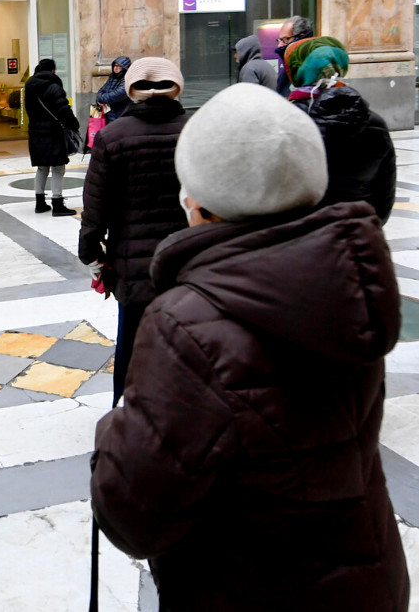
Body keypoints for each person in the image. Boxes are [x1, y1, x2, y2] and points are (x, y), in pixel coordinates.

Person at [91, 83, 408, 612]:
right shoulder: (346, 279)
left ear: (200, 199)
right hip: (364, 576)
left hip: (247, 587)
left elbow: (136, 516)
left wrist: (115, 431)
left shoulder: (188, 323)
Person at [77, 58, 190, 405]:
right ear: (176, 87)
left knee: (132, 341)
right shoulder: (196, 131)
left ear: (131, 90)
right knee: (185, 342)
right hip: (188, 259)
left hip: (133, 262)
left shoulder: (112, 136)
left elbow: (95, 204)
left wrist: (90, 251)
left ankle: (127, 414)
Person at [284, 35, 396, 223]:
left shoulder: (285, 122)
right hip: (354, 231)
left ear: (296, 70)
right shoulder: (373, 123)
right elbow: (383, 197)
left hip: (301, 234)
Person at [25, 58, 81, 216]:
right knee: (58, 167)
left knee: (42, 167)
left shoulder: (29, 86)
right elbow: (64, 110)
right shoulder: (54, 87)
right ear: (52, 71)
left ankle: (40, 203)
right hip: (53, 133)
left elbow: (29, 110)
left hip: (35, 132)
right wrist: (74, 125)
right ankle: (57, 204)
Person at [274, 15, 313, 97]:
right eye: (279, 40)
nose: (279, 45)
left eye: (285, 39)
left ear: (301, 38)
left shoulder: (313, 70)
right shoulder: (285, 76)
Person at [95, 55, 132, 123]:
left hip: (119, 115)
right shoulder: (112, 77)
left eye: (119, 66)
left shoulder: (127, 79)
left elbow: (118, 94)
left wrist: (101, 98)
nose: (116, 68)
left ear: (124, 68)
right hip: (108, 114)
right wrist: (99, 97)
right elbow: (102, 89)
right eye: (115, 65)